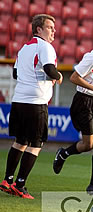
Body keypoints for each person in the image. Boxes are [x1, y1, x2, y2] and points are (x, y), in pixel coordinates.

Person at [0, 14, 63, 199]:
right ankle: (20, 185)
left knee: (20, 141)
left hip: (19, 99)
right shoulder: (46, 47)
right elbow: (50, 69)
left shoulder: (24, 48)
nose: (54, 31)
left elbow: (15, 73)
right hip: (36, 102)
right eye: (50, 27)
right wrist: (58, 77)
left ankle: (7, 180)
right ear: (39, 30)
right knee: (36, 144)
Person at [52, 28, 93, 201]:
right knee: (88, 144)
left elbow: (92, 76)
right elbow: (74, 77)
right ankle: (63, 154)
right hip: (83, 102)